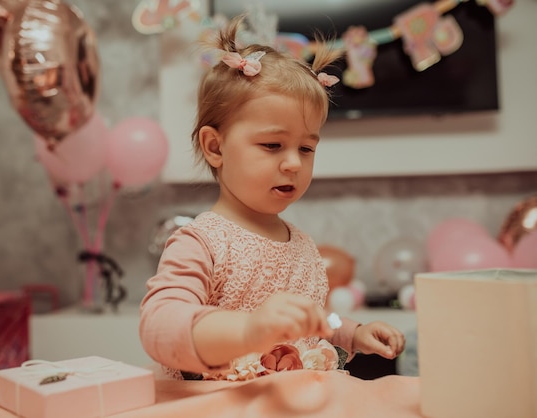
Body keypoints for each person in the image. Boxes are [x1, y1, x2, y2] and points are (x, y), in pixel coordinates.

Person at [139, 15, 405, 381]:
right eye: (272, 145)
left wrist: (351, 331)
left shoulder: (303, 245)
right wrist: (247, 332)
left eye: (307, 148)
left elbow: (314, 320)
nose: (294, 162)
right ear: (215, 147)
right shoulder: (202, 243)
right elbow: (160, 326)